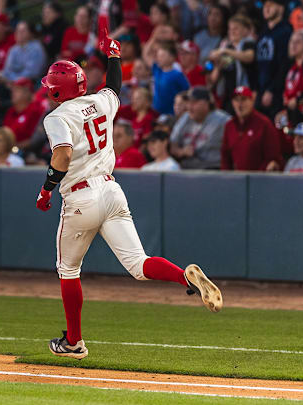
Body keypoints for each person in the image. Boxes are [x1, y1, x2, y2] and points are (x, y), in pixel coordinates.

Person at [36, 28, 223, 360]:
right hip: (111, 189)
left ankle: (74, 341)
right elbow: (114, 88)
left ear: (55, 91)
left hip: (80, 198)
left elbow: (62, 156)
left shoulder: (57, 116)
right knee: (139, 264)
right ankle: (184, 277)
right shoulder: (99, 101)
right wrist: (114, 55)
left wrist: (46, 189)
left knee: (68, 270)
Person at [221, 86, 283, 171]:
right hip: (236, 180)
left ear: (252, 101)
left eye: (243, 99)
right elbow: (226, 157)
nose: (239, 104)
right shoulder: (229, 126)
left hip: (259, 179)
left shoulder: (264, 124)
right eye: (236, 100)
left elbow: (273, 158)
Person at [170, 86, 230, 169]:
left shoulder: (223, 120)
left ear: (207, 104)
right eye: (188, 102)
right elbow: (172, 144)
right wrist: (181, 152)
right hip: (187, 169)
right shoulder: (186, 117)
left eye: (194, 103)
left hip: (213, 169)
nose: (189, 107)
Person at [207, 14, 256, 112]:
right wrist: (217, 65)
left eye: (236, 28)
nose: (232, 32)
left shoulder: (248, 44)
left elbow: (249, 57)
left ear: (246, 31)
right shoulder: (227, 48)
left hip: (246, 94)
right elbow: (214, 78)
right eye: (230, 29)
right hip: (229, 96)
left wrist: (225, 51)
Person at [255, 0, 293, 116]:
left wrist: (272, 89)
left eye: (270, 5)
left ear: (281, 9)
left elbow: (284, 64)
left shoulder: (286, 31)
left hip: (276, 92)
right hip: (260, 89)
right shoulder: (263, 32)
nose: (266, 8)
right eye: (265, 5)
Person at [279, 31, 303, 127]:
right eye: (292, 42)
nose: (293, 45)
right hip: (290, 110)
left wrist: (298, 99)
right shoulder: (289, 64)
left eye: (298, 42)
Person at [147, 42, 189, 115]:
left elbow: (187, 91)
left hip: (171, 113)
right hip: (156, 113)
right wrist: (153, 38)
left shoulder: (177, 75)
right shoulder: (157, 70)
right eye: (158, 56)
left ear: (172, 57)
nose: (159, 58)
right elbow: (147, 54)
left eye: (162, 56)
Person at [2, 78, 44, 149]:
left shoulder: (35, 111)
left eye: (17, 90)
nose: (13, 93)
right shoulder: (11, 110)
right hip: (6, 148)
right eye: (13, 90)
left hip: (23, 151)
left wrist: (12, 148)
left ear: (27, 93)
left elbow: (34, 140)